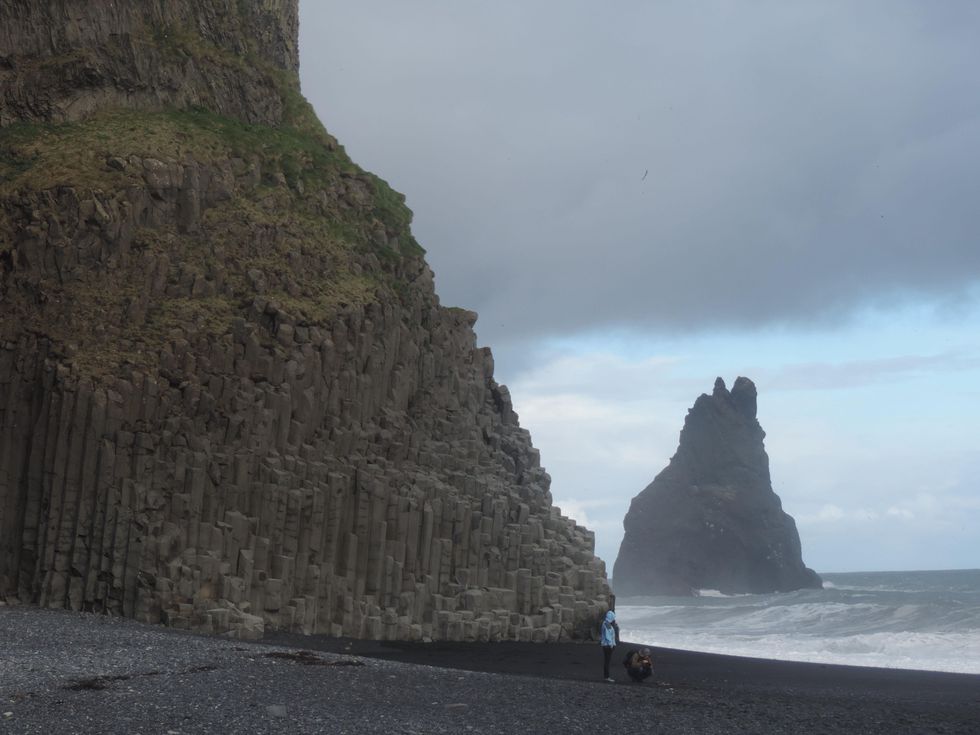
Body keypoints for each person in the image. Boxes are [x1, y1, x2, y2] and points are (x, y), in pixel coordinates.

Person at [599, 609, 620, 682]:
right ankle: (607, 677)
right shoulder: (607, 625)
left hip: (606, 645)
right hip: (608, 646)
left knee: (607, 661)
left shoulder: (605, 623)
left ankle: (606, 676)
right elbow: (608, 636)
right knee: (607, 661)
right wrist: (611, 644)